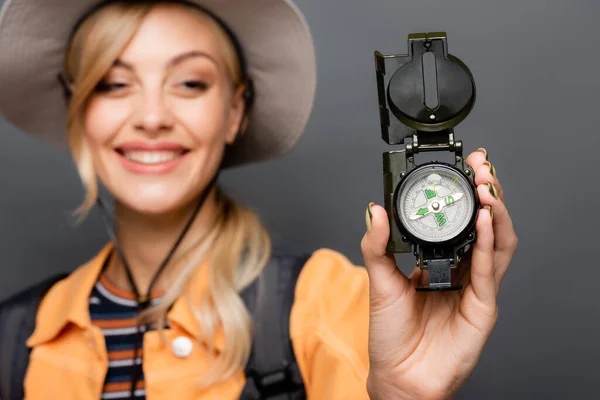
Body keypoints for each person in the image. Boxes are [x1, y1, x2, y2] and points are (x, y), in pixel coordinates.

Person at [0, 0, 518, 399]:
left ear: (235, 111)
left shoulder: (330, 305)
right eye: (114, 84)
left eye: (189, 82)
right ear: (78, 112)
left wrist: (404, 394)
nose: (152, 116)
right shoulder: (13, 341)